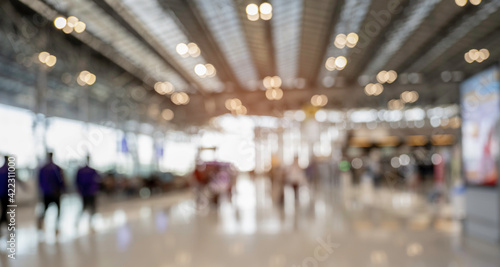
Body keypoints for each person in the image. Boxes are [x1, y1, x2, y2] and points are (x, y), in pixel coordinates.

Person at [38, 152, 66, 233]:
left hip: (47, 193)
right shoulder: (57, 168)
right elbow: (61, 180)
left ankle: (41, 223)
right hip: (55, 193)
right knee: (58, 210)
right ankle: (56, 226)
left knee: (45, 209)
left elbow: (40, 182)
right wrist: (62, 189)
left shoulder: (43, 169)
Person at [75, 156, 100, 227]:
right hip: (89, 192)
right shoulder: (91, 171)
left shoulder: (84, 171)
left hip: (87, 192)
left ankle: (90, 222)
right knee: (88, 207)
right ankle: (81, 222)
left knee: (89, 208)